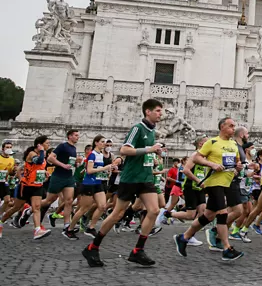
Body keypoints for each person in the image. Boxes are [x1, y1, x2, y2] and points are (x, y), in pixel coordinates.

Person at [81, 99, 166, 267]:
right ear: (147, 112)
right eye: (157, 111)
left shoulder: (152, 131)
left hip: (146, 177)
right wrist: (148, 150)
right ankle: (93, 246)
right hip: (131, 178)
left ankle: (138, 250)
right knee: (117, 214)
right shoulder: (137, 128)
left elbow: (144, 154)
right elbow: (124, 150)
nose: (160, 114)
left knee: (154, 210)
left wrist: (154, 156)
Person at [173, 117, 245, 262]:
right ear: (222, 127)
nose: (233, 128)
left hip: (227, 182)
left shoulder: (233, 144)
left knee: (208, 216)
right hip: (214, 183)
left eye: (234, 126)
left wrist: (238, 166)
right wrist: (212, 165)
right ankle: (226, 248)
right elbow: (198, 158)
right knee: (223, 214)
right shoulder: (212, 142)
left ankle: (184, 237)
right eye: (231, 126)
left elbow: (235, 161)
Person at [1, 136, 51, 240]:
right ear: (39, 145)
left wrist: (44, 172)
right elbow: (38, 161)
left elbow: (39, 166)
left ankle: (37, 230)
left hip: (37, 185)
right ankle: (1, 221)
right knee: (16, 207)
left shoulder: (42, 154)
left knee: (36, 207)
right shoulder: (32, 154)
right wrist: (42, 152)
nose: (48, 145)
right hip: (26, 186)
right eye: (47, 143)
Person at [71, 135, 116, 238]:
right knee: (83, 208)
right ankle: (70, 228)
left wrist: (107, 170)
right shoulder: (92, 154)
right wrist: (104, 168)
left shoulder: (100, 154)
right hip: (89, 184)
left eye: (105, 142)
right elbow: (90, 170)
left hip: (98, 183)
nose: (104, 144)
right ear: (96, 143)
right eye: (102, 142)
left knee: (102, 206)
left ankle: (91, 228)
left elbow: (99, 169)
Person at [38, 129, 79, 239]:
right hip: (58, 176)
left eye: (78, 135)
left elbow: (69, 162)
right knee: (49, 200)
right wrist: (62, 165)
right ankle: (29, 209)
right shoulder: (63, 146)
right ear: (69, 136)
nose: (77, 137)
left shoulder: (74, 148)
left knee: (69, 200)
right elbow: (50, 158)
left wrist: (76, 163)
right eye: (75, 135)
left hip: (69, 176)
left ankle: (66, 226)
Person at [0, 141, 15, 234]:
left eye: (10, 147)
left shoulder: (11, 159)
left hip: (4, 182)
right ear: (2, 149)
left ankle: (0, 214)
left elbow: (10, 172)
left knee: (7, 200)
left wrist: (13, 172)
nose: (8, 149)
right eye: (7, 147)